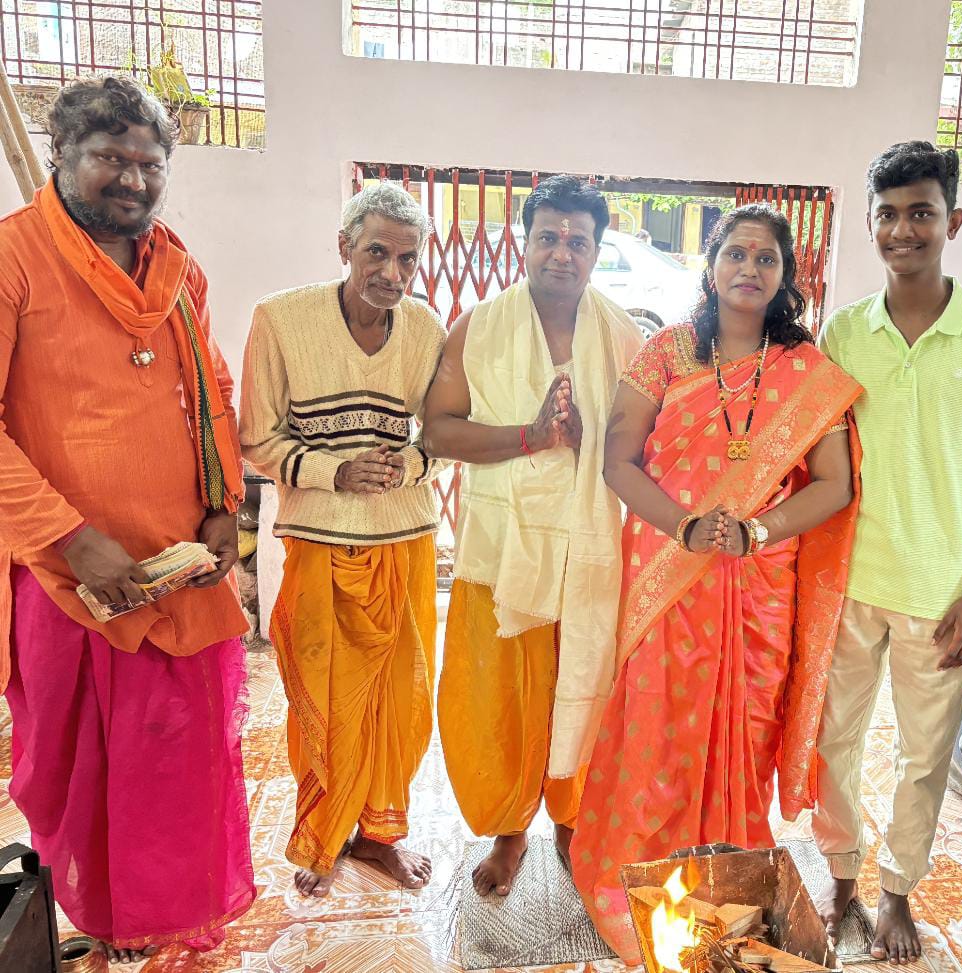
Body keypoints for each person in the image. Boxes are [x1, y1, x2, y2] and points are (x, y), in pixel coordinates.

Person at [0, 76, 254, 964]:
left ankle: (171, 923)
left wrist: (227, 505)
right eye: (110, 159)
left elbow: (212, 391)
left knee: (178, 773)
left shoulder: (179, 270)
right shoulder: (13, 259)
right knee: (81, 775)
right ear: (64, 156)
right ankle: (107, 917)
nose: (133, 180)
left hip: (175, 568)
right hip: (71, 580)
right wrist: (73, 538)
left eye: (149, 164)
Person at [571, 204, 862, 964]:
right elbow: (617, 458)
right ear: (710, 265)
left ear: (783, 275)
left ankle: (726, 865)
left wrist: (759, 529)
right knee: (656, 721)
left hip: (760, 585)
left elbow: (835, 484)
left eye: (765, 258)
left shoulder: (807, 370)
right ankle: (645, 868)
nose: (748, 269)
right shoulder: (666, 353)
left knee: (746, 729)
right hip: (672, 575)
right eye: (734, 253)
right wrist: (684, 526)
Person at [423, 175, 644, 897]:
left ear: (596, 250)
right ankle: (511, 829)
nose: (561, 253)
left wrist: (588, 438)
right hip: (502, 548)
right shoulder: (477, 327)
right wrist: (529, 434)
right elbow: (438, 429)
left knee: (582, 688)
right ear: (523, 243)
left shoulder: (623, 337)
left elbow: (643, 450)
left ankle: (573, 822)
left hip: (587, 551)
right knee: (504, 699)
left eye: (577, 241)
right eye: (546, 237)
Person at [812, 141, 962, 966]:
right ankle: (840, 878)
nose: (902, 229)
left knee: (923, 758)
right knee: (832, 742)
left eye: (919, 212)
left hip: (940, 586)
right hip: (846, 580)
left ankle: (895, 890)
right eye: (886, 215)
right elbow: (813, 459)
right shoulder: (842, 332)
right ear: (869, 224)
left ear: (950, 220)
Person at [240, 183, 446, 897]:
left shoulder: (425, 328)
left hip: (405, 538)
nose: (391, 273)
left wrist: (410, 463)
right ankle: (325, 838)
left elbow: (441, 431)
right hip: (319, 540)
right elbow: (256, 438)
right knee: (323, 700)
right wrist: (334, 470)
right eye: (376, 253)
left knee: (400, 699)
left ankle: (381, 838)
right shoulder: (281, 319)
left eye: (407, 259)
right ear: (344, 248)